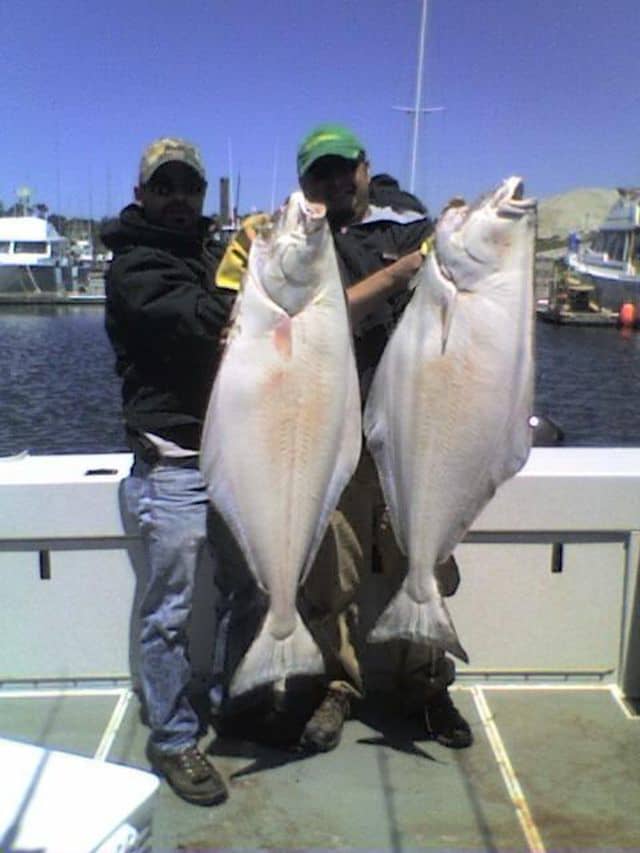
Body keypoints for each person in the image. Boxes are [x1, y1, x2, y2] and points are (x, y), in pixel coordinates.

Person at [102, 137, 236, 806]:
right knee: (171, 611)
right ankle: (173, 736)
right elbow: (201, 321)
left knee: (248, 587)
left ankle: (229, 700)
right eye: (167, 185)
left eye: (191, 187)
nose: (180, 197)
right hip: (173, 468)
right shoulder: (134, 268)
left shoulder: (208, 255)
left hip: (234, 462)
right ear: (143, 195)